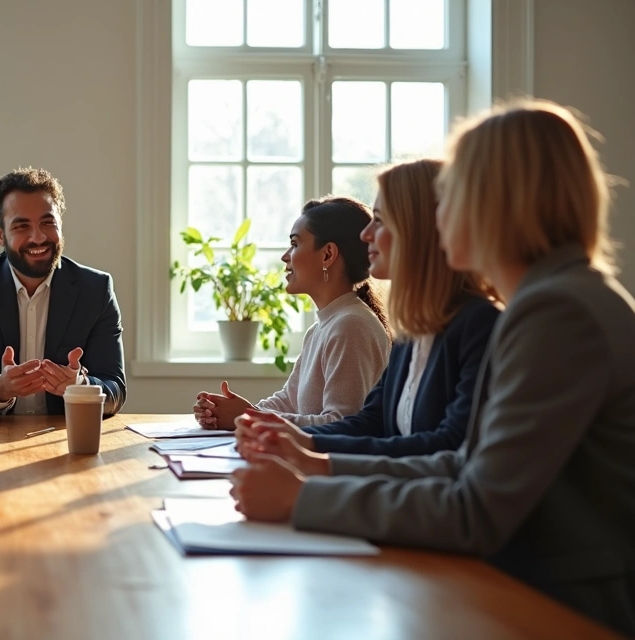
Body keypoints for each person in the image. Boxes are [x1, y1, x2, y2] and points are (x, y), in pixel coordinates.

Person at [229, 100, 635, 635]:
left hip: (557, 607)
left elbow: (476, 509)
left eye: (453, 192)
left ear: (498, 202)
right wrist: (316, 465)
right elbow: (462, 464)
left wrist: (303, 496)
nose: (439, 214)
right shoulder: (555, 300)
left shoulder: (558, 313)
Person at [235, 159, 500, 457]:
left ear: (419, 230)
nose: (366, 234)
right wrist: (281, 434)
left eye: (380, 220)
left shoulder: (478, 324)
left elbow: (449, 448)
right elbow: (371, 422)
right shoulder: (410, 330)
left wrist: (312, 457)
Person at [0, 167, 126, 419]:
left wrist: (79, 387)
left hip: (65, 435)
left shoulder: (96, 289)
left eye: (48, 223)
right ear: (0, 235)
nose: (38, 237)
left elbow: (115, 389)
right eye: (21, 226)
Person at [193, 197, 390, 428]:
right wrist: (228, 412)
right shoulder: (323, 326)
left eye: (295, 244)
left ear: (327, 254)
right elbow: (289, 401)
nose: (285, 256)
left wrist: (247, 418)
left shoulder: (351, 326)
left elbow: (341, 424)